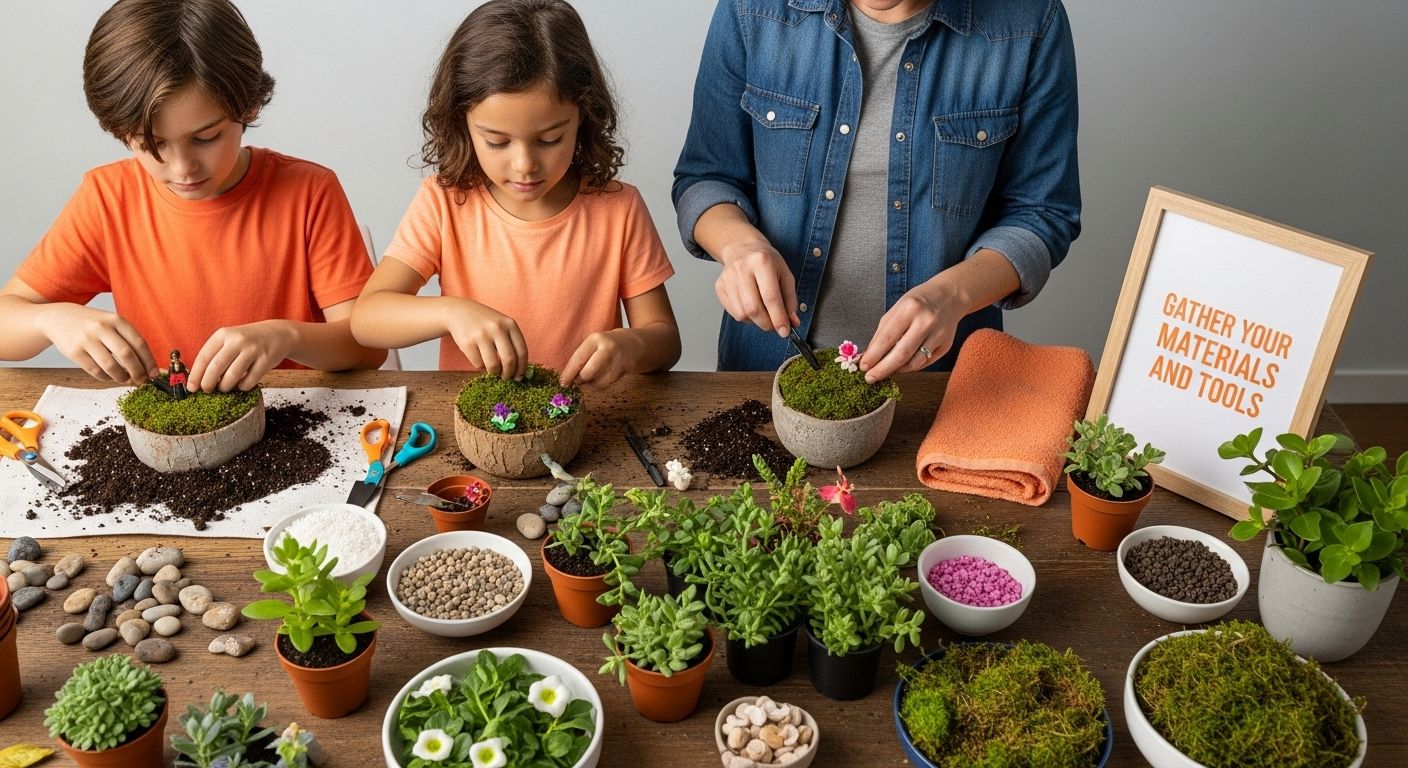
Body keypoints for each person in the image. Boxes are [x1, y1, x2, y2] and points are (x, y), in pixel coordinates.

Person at [673, 0, 1080, 382]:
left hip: (942, 383)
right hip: (764, 368)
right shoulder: (751, 9)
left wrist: (953, 294)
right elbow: (706, 176)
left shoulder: (1030, 20)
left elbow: (1042, 213)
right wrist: (739, 246)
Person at [0, 0, 385, 391]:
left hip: (291, 426)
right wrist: (50, 320)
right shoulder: (107, 199)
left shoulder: (309, 192)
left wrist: (287, 336)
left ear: (248, 105)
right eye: (150, 143)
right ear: (119, 131)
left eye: (206, 138)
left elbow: (367, 347)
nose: (182, 167)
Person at [351, 0, 680, 387]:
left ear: (584, 116)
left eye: (550, 139)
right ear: (463, 124)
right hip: (477, 430)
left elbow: (666, 340)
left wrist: (631, 346)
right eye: (497, 142)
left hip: (587, 424)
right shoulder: (444, 202)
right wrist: (450, 312)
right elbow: (366, 319)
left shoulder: (619, 208)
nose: (524, 164)